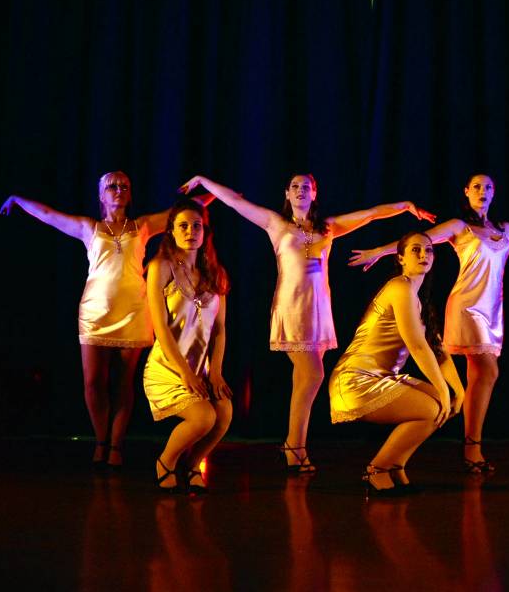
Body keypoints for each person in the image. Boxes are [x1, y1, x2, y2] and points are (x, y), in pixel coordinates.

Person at [178, 174, 435, 473]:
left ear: (315, 193)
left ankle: (295, 446)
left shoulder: (327, 227)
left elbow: (371, 214)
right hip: (292, 308)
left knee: (305, 381)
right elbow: (236, 202)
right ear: (287, 193)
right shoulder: (277, 224)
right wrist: (202, 181)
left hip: (319, 310)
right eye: (295, 187)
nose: (301, 191)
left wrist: (405, 206)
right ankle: (294, 447)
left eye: (307, 187)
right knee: (313, 375)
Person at [349, 174, 509, 472]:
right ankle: (469, 445)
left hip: (492, 311)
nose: (482, 191)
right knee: (487, 369)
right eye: (476, 187)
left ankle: (470, 443)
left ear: (493, 193)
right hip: (466, 306)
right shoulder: (460, 227)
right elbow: (419, 240)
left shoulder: (505, 230)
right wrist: (379, 251)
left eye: (487, 187)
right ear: (466, 192)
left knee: (483, 376)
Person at [0, 171, 211, 468]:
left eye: (124, 185)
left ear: (130, 193)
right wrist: (18, 200)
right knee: (94, 381)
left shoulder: (143, 226)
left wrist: (216, 194)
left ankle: (115, 446)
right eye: (112, 186)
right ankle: (100, 440)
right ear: (101, 195)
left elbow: (184, 211)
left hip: (134, 312)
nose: (118, 189)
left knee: (124, 383)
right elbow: (49, 215)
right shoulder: (90, 228)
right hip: (95, 313)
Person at [330, 232, 465, 495]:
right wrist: (442, 389)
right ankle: (377, 469)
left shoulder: (419, 299)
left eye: (429, 250)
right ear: (401, 258)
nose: (424, 255)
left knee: (440, 406)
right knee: (431, 408)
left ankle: (395, 465)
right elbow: (416, 345)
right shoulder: (399, 287)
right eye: (416, 250)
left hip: (381, 378)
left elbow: (437, 350)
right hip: (356, 379)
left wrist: (457, 390)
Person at [144, 199, 231, 493]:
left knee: (225, 412)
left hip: (201, 369)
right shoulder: (161, 266)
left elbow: (219, 331)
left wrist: (215, 372)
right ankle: (166, 461)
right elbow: (161, 331)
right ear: (171, 230)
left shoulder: (215, 273)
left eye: (197, 226)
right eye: (183, 225)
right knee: (204, 417)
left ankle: (192, 464)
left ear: (205, 231)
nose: (190, 231)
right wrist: (186, 374)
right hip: (168, 368)